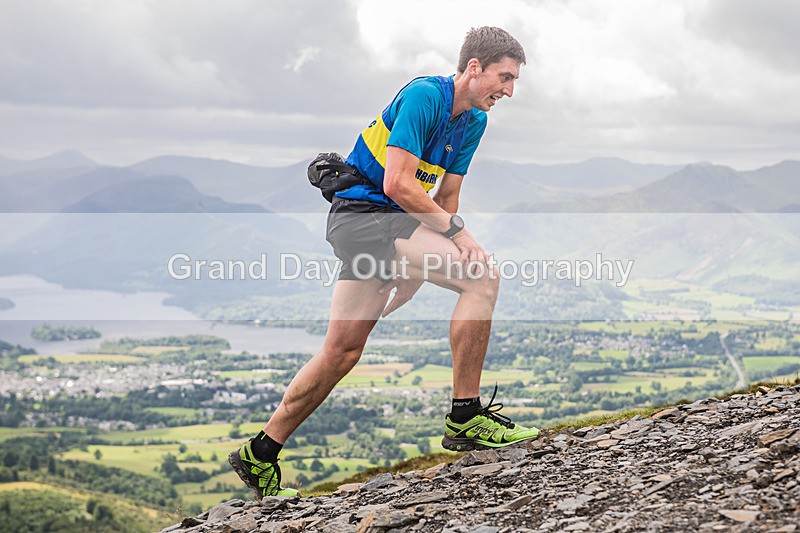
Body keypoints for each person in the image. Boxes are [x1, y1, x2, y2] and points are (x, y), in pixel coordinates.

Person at [229, 26, 538, 499]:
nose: (509, 91)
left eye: (514, 81)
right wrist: (458, 236)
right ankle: (466, 416)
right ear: (474, 68)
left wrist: (418, 265)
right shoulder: (423, 96)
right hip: (364, 216)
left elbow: (447, 196)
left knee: (342, 351)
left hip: (389, 226)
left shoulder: (474, 120)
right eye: (505, 77)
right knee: (481, 279)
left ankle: (260, 453)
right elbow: (397, 184)